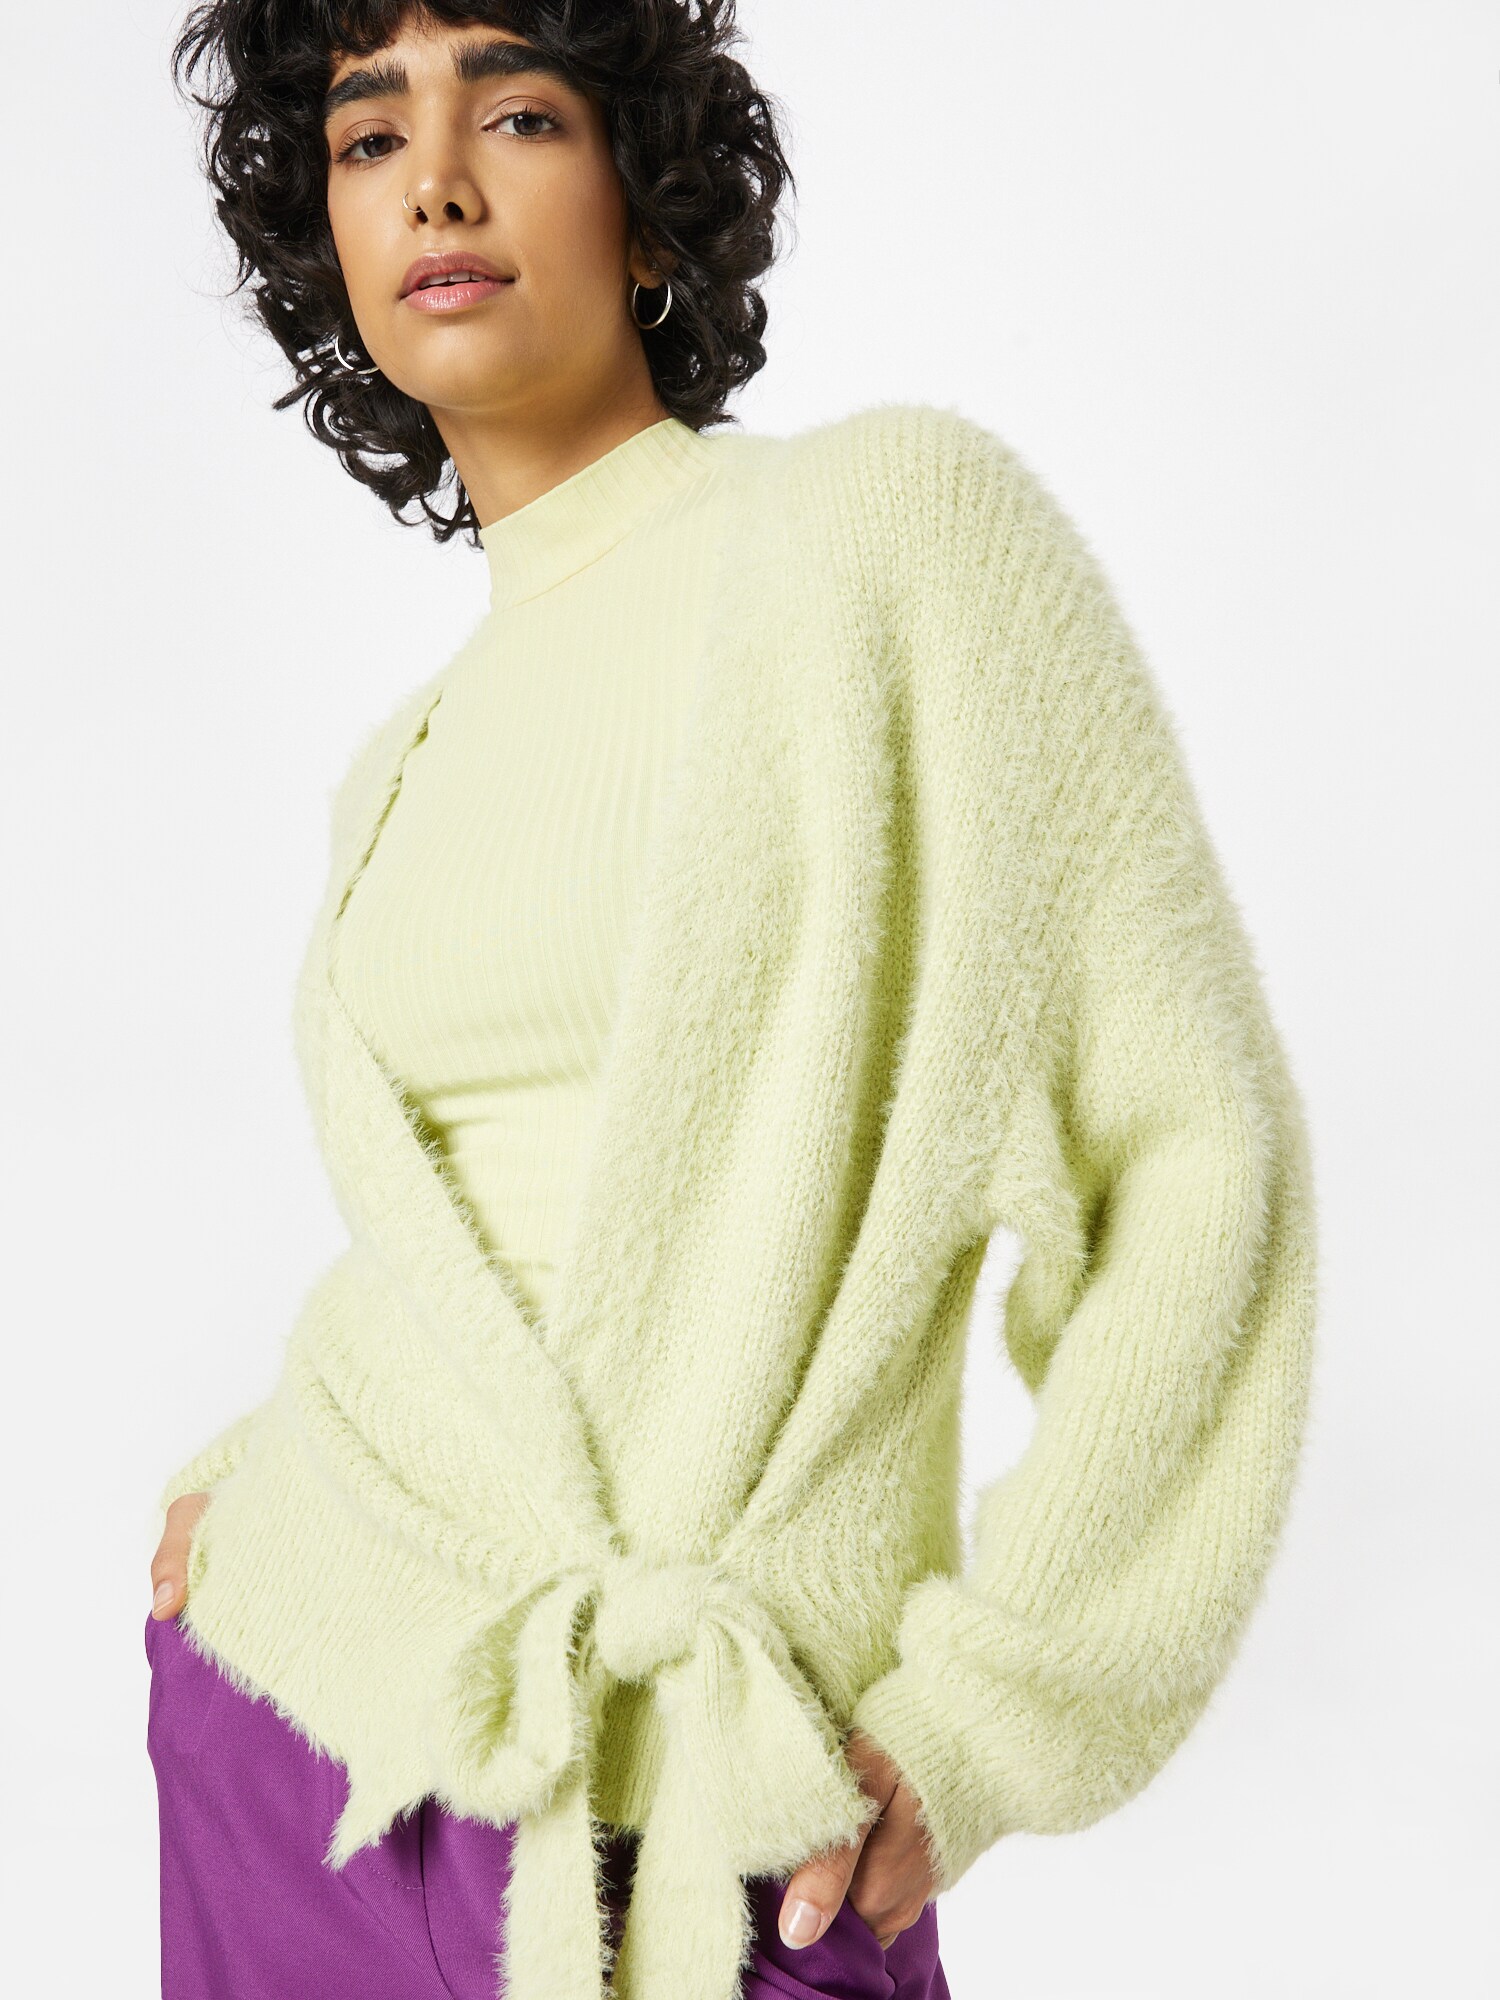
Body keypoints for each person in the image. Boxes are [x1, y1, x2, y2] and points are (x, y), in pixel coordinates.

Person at [144, 6, 1318, 2000]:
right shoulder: (398, 767)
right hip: (301, 1746)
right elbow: (475, 1268)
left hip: (718, 1834)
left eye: (518, 112)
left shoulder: (888, 543)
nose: (437, 183)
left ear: (650, 200)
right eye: (367, 137)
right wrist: (247, 1482)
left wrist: (993, 1714)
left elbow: (1193, 1163)